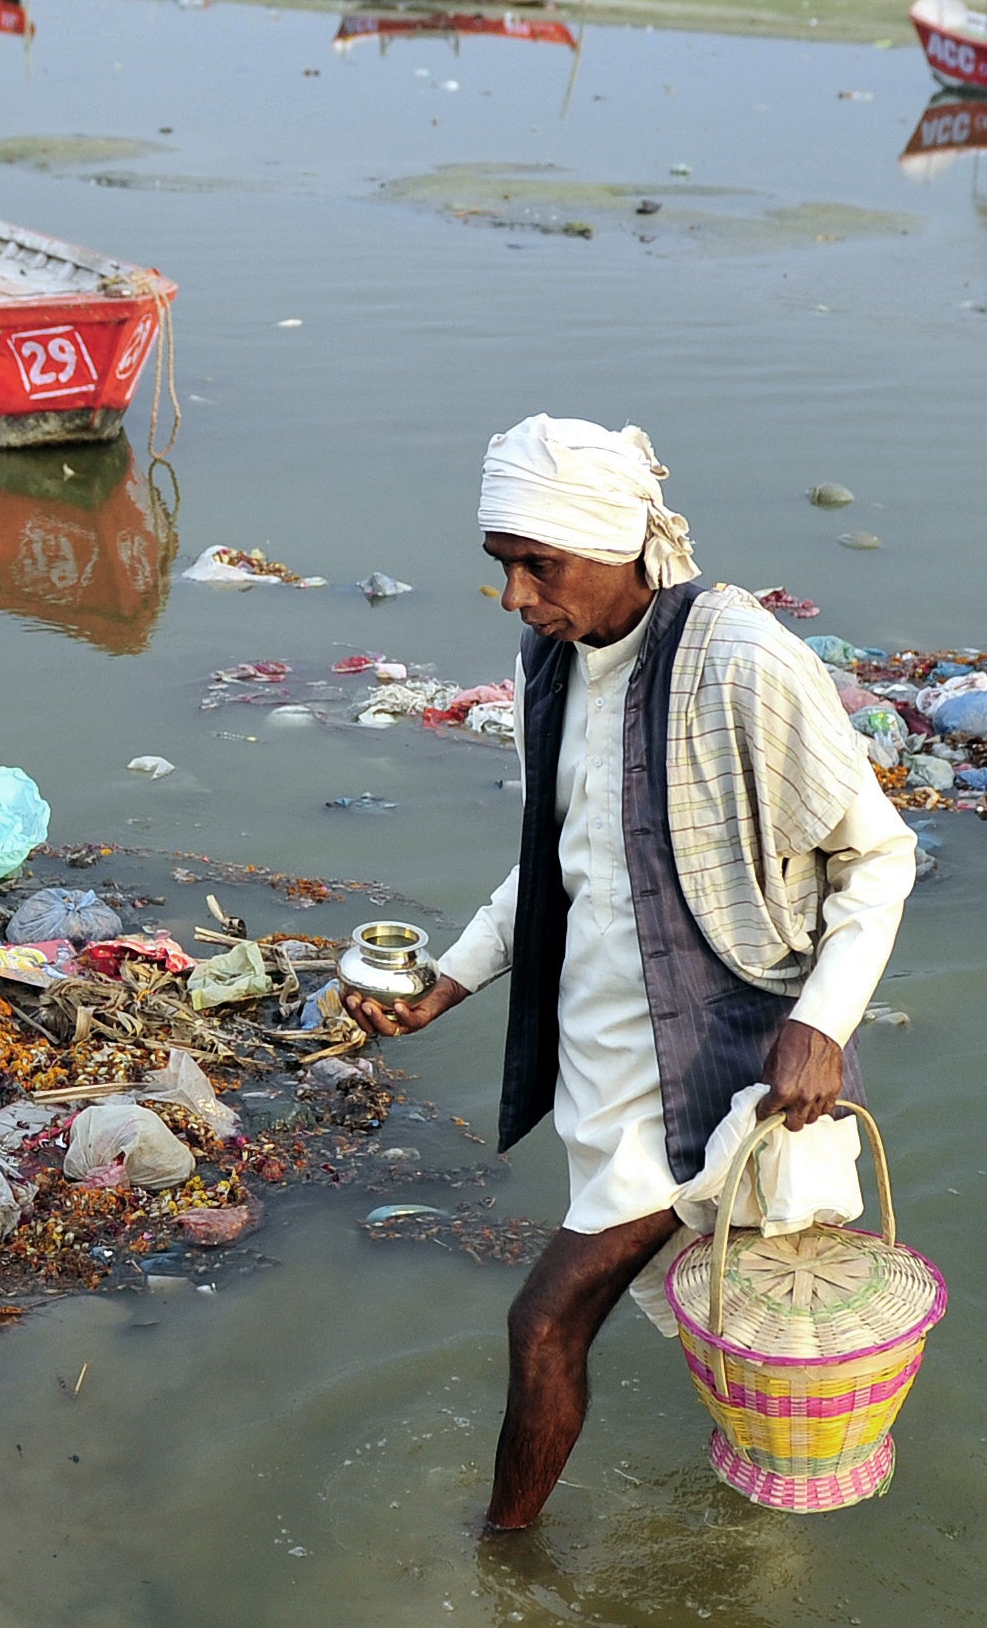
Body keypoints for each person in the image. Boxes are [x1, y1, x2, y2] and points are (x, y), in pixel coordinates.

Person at [344, 417, 917, 1528]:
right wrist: (449, 983)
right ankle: (754, 1548)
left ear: (618, 545)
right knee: (727, 1326)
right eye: (501, 567)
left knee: (545, 1320)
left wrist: (825, 1024)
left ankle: (506, 1571)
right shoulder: (556, 664)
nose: (515, 596)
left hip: (712, 1063)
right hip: (604, 1059)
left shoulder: (741, 662)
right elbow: (560, 867)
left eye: (537, 567)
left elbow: (878, 854)